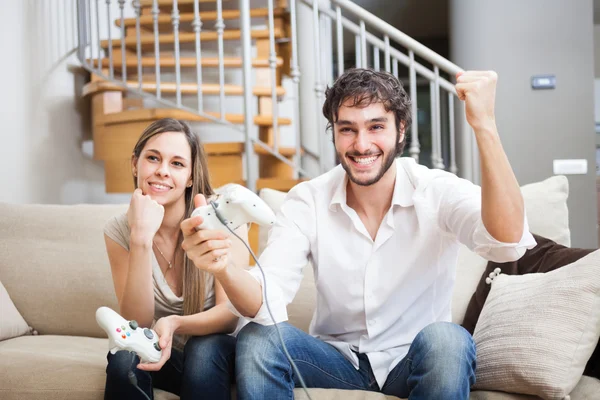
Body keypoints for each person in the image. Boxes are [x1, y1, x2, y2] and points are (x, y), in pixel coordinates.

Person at [183, 68, 537, 399]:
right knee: (259, 339)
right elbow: (265, 302)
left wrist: (484, 124)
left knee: (448, 341)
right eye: (347, 128)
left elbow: (507, 244)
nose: (361, 144)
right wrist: (224, 267)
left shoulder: (435, 190)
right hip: (335, 362)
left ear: (401, 130)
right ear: (334, 133)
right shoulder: (307, 199)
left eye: (376, 127)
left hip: (412, 360)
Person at [102, 118, 248, 400]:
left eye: (177, 164)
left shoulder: (223, 217)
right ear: (136, 164)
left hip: (215, 357)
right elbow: (138, 321)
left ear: (191, 175)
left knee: (202, 350)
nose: (162, 172)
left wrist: (174, 323)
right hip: (163, 355)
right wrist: (140, 239)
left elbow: (230, 315)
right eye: (153, 158)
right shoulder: (118, 230)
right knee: (124, 356)